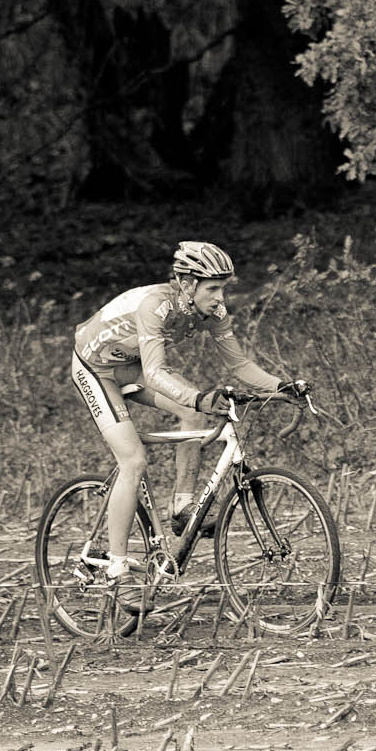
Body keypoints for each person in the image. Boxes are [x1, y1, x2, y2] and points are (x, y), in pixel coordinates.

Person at [70, 240, 307, 580]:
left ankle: (181, 508)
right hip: (95, 369)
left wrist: (280, 386)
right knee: (133, 460)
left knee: (193, 416)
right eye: (213, 288)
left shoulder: (213, 313)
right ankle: (117, 566)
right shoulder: (155, 306)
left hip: (130, 366)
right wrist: (198, 396)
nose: (220, 297)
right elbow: (154, 372)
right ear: (187, 284)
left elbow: (239, 364)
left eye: (223, 288)